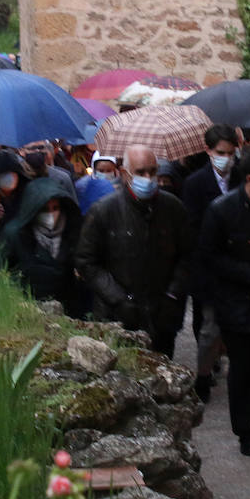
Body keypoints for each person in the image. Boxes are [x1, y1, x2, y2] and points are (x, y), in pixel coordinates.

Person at [197, 146, 250, 456]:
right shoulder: (222, 209)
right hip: (236, 299)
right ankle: (245, 430)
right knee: (243, 368)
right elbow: (210, 256)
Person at [75, 145, 193, 356]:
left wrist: (173, 294)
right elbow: (86, 261)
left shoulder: (173, 208)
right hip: (117, 317)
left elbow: (187, 256)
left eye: (152, 171)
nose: (148, 178)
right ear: (124, 174)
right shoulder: (104, 211)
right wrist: (119, 298)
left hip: (162, 316)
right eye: (140, 172)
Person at [183, 124, 241, 401]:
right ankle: (204, 375)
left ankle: (225, 366)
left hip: (237, 265)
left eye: (230, 153)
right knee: (207, 327)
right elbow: (192, 229)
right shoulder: (195, 183)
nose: (226, 158)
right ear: (208, 151)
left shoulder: (241, 176)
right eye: (221, 152)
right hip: (207, 267)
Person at [0, 177, 83, 315]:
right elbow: (1, 270)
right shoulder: (15, 234)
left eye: (55, 208)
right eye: (45, 209)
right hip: (28, 307)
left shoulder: (72, 230)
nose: (51, 214)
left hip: (66, 308)